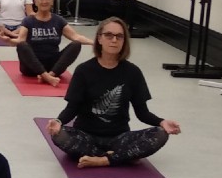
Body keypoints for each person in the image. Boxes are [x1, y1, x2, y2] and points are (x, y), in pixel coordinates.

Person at [46, 16, 181, 167]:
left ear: (124, 41)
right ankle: (121, 156)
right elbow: (72, 108)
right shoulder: (83, 70)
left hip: (119, 138)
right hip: (86, 136)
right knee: (59, 135)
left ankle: (102, 159)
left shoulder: (133, 72)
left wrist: (162, 122)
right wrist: (58, 122)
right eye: (109, 35)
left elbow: (142, 113)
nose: (114, 40)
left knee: (160, 134)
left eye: (119, 36)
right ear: (99, 39)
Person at [8, 0, 92, 87]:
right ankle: (47, 77)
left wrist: (94, 42)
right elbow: (20, 40)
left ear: (52, 1)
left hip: (53, 66)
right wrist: (8, 40)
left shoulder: (58, 20)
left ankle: (49, 75)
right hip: (31, 67)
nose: (44, 1)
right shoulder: (28, 21)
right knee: (22, 45)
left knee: (76, 44)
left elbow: (76, 37)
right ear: (36, 2)